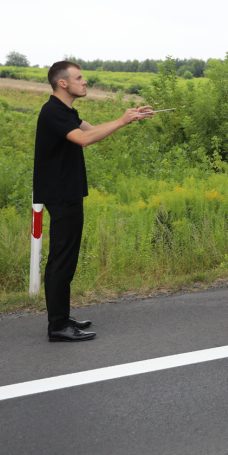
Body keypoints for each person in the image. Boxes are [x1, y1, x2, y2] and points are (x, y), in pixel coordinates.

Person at [33, 61, 154, 342]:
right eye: (79, 77)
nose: (84, 81)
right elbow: (84, 139)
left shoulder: (65, 111)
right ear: (63, 83)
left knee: (63, 259)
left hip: (66, 193)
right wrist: (122, 120)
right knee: (62, 260)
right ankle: (58, 326)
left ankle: (60, 317)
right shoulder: (53, 111)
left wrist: (130, 117)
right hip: (61, 195)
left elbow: (95, 130)